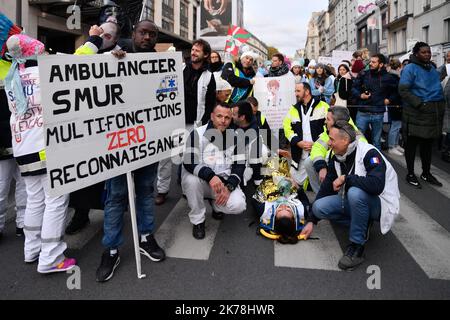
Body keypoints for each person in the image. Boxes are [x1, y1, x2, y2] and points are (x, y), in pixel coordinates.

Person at [95, 20, 166, 283]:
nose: (147, 37)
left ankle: (145, 238)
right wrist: (109, 59)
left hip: (148, 143)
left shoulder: (160, 63)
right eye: (143, 32)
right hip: (119, 145)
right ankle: (111, 249)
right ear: (134, 34)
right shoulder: (116, 53)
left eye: (152, 34)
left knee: (145, 193)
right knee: (115, 198)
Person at [3, 34, 76, 273]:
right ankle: (51, 258)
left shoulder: (12, 76)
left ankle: (31, 250)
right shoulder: (43, 75)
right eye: (43, 51)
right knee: (56, 200)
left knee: (35, 200)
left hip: (23, 147)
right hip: (46, 148)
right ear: (35, 53)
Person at [301, 121, 400, 271]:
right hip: (358, 200)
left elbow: (377, 185)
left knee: (355, 192)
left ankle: (357, 246)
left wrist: (346, 179)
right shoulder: (337, 156)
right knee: (319, 207)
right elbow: (327, 188)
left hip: (381, 203)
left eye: (332, 139)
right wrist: (311, 220)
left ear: (345, 140)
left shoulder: (369, 152)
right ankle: (361, 222)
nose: (329, 142)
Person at [66, 21, 123, 235]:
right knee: (83, 177)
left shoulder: (122, 55)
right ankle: (81, 214)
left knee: (111, 178)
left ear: (116, 40)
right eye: (98, 34)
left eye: (106, 36)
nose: (101, 38)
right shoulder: (88, 50)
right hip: (87, 128)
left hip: (111, 129)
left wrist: (122, 61)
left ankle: (113, 215)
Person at [156, 38, 216, 206]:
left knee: (188, 159)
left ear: (205, 55)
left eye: (198, 50)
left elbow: (210, 104)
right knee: (165, 157)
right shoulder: (179, 68)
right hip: (173, 122)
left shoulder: (209, 77)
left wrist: (204, 127)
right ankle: (162, 190)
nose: (193, 52)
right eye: (193, 49)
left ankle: (185, 189)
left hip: (193, 124)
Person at [182, 102, 247, 239]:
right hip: (203, 182)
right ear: (212, 116)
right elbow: (188, 161)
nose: (223, 121)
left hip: (223, 183)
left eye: (227, 118)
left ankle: (216, 205)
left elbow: (239, 165)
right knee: (191, 181)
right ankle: (198, 220)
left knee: (239, 205)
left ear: (231, 119)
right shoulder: (197, 134)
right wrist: (210, 176)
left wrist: (229, 186)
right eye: (219, 116)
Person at [399, 42, 446, 188]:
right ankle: (411, 174)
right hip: (416, 113)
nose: (427, 54)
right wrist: (420, 104)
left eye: (429, 52)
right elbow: (403, 90)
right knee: (412, 146)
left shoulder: (431, 67)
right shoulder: (410, 68)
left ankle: (426, 173)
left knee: (427, 146)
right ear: (416, 53)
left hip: (432, 113)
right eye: (424, 52)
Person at [305, 106, 367, 194]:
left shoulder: (358, 140)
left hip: (352, 181)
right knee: (309, 161)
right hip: (335, 166)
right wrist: (321, 167)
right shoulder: (331, 130)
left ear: (338, 122)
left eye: (328, 119)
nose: (325, 121)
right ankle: (321, 197)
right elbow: (317, 147)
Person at [283, 82, 329, 189]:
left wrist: (316, 144)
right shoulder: (293, 109)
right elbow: (287, 128)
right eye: (295, 91)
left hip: (319, 152)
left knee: (323, 183)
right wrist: (298, 142)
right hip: (300, 154)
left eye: (298, 91)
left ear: (307, 92)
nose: (296, 94)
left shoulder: (323, 106)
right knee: (293, 184)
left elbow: (329, 129)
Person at [352, 53, 399, 150]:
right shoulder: (363, 74)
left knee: (376, 141)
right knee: (357, 140)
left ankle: (377, 163)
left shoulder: (388, 77)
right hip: (363, 112)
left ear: (381, 64)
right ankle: (357, 162)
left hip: (378, 113)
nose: (370, 64)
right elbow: (354, 88)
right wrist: (360, 95)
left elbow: (396, 91)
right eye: (370, 62)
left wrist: (389, 100)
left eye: (373, 62)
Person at [0, 86, 26, 240]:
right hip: (6, 135)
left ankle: (23, 223)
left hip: (21, 132)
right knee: (2, 185)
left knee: (24, 183)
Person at [231, 100, 264, 187]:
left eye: (234, 114)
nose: (231, 116)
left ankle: (257, 181)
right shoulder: (231, 122)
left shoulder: (253, 129)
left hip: (245, 161)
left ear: (242, 117)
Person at [386, 59, 404, 156]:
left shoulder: (394, 76)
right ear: (399, 67)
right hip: (395, 104)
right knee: (395, 126)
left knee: (397, 125)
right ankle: (391, 146)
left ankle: (395, 144)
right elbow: (395, 91)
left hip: (397, 103)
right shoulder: (393, 77)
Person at [438, 51, 450, 163]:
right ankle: (445, 151)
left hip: (445, 102)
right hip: (445, 103)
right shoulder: (443, 69)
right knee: (446, 129)